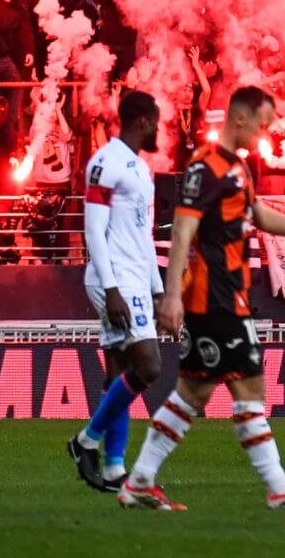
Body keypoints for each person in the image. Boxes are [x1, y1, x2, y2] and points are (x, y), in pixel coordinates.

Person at [119, 84, 285, 512]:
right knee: (248, 388)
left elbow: (258, 215)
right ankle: (279, 488)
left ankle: (141, 481)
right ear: (239, 118)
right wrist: (171, 296)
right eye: (262, 124)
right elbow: (183, 229)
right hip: (213, 299)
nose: (264, 133)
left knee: (191, 394)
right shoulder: (205, 166)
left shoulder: (238, 168)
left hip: (223, 297)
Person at [70, 90, 164, 493]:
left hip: (135, 279)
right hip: (115, 281)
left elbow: (142, 234)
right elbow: (93, 229)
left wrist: (157, 288)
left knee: (120, 374)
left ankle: (112, 468)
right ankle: (86, 440)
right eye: (156, 120)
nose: (159, 128)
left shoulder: (140, 169)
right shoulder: (105, 162)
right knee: (150, 366)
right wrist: (111, 289)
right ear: (142, 120)